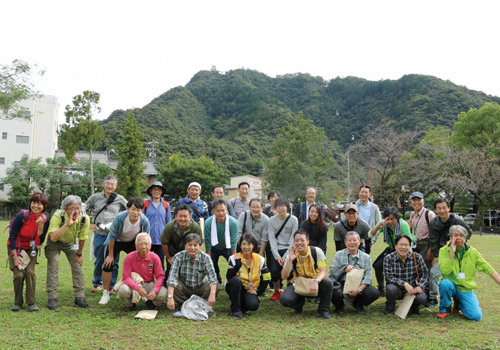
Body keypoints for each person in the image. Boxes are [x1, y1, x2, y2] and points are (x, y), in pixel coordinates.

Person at [437, 226, 500, 321]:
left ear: (465, 238)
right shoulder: (443, 251)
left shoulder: (473, 252)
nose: (458, 238)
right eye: (455, 235)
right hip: (451, 286)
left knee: (476, 316)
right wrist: (451, 253)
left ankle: (458, 304)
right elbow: (445, 270)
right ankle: (445, 309)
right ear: (450, 238)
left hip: (465, 288)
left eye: (461, 235)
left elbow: (488, 268)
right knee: (445, 284)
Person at [99, 198, 150, 305]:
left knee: (141, 265)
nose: (136, 212)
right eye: (133, 209)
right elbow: (112, 236)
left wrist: (144, 254)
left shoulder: (144, 221)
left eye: (139, 210)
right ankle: (106, 293)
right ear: (127, 209)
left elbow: (145, 238)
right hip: (116, 241)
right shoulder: (120, 218)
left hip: (132, 242)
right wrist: (111, 255)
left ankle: (142, 291)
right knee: (108, 265)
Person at [45, 195, 90, 310]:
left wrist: (79, 254)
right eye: (73, 208)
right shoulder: (58, 216)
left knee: (77, 267)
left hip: (71, 243)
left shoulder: (84, 218)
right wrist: (66, 224)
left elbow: (83, 237)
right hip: (55, 242)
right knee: (53, 266)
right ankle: (52, 297)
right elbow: (53, 238)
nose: (76, 211)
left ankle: (79, 296)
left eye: (78, 208)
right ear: (65, 209)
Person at [85, 175, 127, 292]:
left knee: (114, 260)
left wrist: (122, 225)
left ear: (116, 186)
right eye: (107, 183)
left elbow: (130, 210)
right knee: (99, 259)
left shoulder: (120, 199)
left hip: (114, 235)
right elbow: (83, 209)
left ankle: (110, 286)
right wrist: (89, 224)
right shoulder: (95, 198)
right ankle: (96, 283)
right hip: (99, 233)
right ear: (103, 184)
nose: (110, 186)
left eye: (112, 184)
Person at [8, 192, 50, 312]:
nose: (35, 206)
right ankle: (18, 302)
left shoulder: (45, 220)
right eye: (33, 202)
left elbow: (38, 243)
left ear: (45, 206)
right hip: (16, 248)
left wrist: (41, 227)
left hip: (31, 250)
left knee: (30, 273)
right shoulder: (22, 216)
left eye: (39, 204)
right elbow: (12, 236)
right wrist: (15, 257)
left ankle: (31, 302)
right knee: (19, 275)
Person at [428, 198, 472, 309]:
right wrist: (436, 256)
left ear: (449, 208)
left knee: (459, 275)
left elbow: (469, 233)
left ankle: (459, 300)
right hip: (442, 253)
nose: (442, 211)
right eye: (439, 208)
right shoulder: (433, 222)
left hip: (458, 253)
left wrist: (457, 241)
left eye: (444, 208)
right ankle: (433, 298)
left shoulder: (457, 220)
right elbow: (433, 240)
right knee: (434, 273)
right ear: (436, 210)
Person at [279, 230, 333, 319]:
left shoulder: (317, 251)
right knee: (285, 300)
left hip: (315, 282)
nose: (299, 243)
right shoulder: (291, 255)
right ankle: (298, 305)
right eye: (296, 240)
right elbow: (284, 276)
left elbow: (323, 271)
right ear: (294, 242)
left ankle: (323, 310)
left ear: (307, 241)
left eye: (302, 240)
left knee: (328, 282)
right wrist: (290, 260)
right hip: (299, 283)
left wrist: (316, 282)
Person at [329, 232, 379, 315]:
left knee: (374, 293)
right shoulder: (338, 255)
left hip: (359, 285)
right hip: (341, 284)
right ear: (345, 243)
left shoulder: (366, 257)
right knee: (334, 291)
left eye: (355, 240)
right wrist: (343, 269)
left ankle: (358, 304)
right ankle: (339, 306)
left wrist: (358, 290)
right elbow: (332, 273)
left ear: (359, 242)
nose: (352, 242)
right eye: (349, 240)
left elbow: (368, 277)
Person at [166, 234, 218, 311]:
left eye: (195, 245)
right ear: (185, 246)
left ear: (200, 246)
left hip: (200, 286)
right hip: (185, 286)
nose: (192, 248)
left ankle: (202, 304)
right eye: (189, 245)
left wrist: (212, 295)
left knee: (215, 286)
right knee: (174, 285)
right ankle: (184, 304)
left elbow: (212, 278)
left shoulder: (206, 258)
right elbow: (172, 278)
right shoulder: (178, 257)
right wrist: (170, 298)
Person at [116, 233, 167, 312]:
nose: (143, 247)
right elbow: (126, 277)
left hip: (149, 283)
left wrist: (155, 290)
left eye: (146, 244)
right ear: (136, 246)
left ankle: (152, 303)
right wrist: (138, 287)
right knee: (123, 290)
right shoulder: (129, 257)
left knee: (164, 293)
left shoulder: (155, 257)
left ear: (150, 245)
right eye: (140, 244)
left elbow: (160, 276)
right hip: (134, 283)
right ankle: (131, 305)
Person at [226, 234, 271, 318]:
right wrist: (237, 266)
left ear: (253, 246)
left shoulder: (260, 259)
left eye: (249, 244)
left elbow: (267, 277)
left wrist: (258, 292)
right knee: (236, 280)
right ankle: (235, 309)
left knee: (253, 305)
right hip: (236, 287)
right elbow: (229, 276)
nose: (246, 247)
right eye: (244, 244)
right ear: (240, 245)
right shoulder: (233, 258)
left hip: (250, 289)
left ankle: (241, 304)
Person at [370, 207, 413, 296]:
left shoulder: (403, 225)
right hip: (391, 249)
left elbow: (409, 242)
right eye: (388, 219)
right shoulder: (383, 223)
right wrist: (378, 227)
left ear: (397, 218)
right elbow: (370, 234)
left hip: (403, 251)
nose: (390, 222)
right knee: (377, 266)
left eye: (392, 219)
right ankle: (381, 288)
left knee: (398, 269)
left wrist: (408, 257)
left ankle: (401, 289)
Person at [383, 235, 429, 315]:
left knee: (422, 298)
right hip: (397, 288)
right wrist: (404, 284)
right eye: (401, 245)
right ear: (396, 246)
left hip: (412, 289)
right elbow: (388, 277)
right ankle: (390, 306)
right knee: (390, 289)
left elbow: (425, 273)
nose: (403, 247)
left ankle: (414, 306)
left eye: (406, 245)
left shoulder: (417, 257)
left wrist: (420, 286)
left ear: (410, 246)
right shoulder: (388, 258)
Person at [408, 191, 437, 306]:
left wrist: (431, 249)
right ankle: (423, 295)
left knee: (427, 269)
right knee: (418, 269)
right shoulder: (412, 214)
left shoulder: (429, 214)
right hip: (416, 244)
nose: (416, 202)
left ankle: (432, 297)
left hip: (427, 244)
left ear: (423, 201)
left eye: (418, 200)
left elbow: (434, 233)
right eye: (414, 200)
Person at [267, 197, 298, 301]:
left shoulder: (293, 220)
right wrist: (277, 257)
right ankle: (277, 290)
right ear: (275, 208)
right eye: (278, 206)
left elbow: (293, 240)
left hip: (289, 250)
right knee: (274, 272)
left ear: (287, 207)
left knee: (290, 271)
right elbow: (272, 239)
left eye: (283, 206)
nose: (281, 209)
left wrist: (285, 256)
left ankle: (290, 291)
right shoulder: (271, 221)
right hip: (276, 250)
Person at [161, 204, 202, 277]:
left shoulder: (195, 227)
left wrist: (194, 256)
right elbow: (164, 242)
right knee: (169, 275)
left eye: (185, 216)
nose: (183, 219)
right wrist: (168, 258)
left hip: (190, 253)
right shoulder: (169, 226)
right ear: (176, 216)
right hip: (173, 253)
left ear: (190, 217)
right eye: (180, 216)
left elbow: (199, 243)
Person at [204, 199, 238, 283]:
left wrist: (234, 256)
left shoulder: (233, 222)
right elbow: (207, 240)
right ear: (214, 211)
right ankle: (216, 280)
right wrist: (208, 257)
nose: (221, 213)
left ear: (227, 210)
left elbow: (234, 239)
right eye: (218, 211)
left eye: (223, 210)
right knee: (212, 264)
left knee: (234, 264)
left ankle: (231, 280)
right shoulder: (208, 222)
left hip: (228, 247)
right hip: (214, 247)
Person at [144, 181, 171, 270]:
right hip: (148, 239)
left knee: (160, 262)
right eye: (155, 189)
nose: (157, 191)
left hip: (161, 239)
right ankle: (148, 282)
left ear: (162, 192)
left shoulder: (166, 205)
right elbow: (142, 221)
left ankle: (161, 282)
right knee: (147, 262)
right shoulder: (145, 204)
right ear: (151, 191)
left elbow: (168, 223)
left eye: (159, 190)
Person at [354, 185, 381, 254]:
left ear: (369, 194)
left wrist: (373, 240)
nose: (364, 194)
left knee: (364, 262)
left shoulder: (374, 208)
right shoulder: (353, 206)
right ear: (359, 193)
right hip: (353, 240)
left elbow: (379, 224)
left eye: (366, 192)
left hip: (367, 241)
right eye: (362, 192)